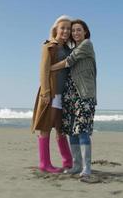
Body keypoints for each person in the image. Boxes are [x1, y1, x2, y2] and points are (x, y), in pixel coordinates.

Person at [51, 19, 97, 177]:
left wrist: (48, 68)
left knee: (83, 131)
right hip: (70, 95)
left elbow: (68, 62)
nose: (75, 33)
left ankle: (87, 167)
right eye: (73, 30)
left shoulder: (87, 44)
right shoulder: (73, 48)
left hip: (84, 95)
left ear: (85, 32)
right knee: (72, 131)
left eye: (79, 30)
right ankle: (77, 165)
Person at [31, 15, 73, 173]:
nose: (66, 31)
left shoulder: (68, 49)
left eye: (68, 28)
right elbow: (43, 70)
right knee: (46, 127)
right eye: (63, 27)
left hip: (64, 94)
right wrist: (46, 92)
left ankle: (68, 161)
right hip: (51, 92)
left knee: (60, 128)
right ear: (56, 29)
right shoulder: (49, 46)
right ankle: (44, 164)